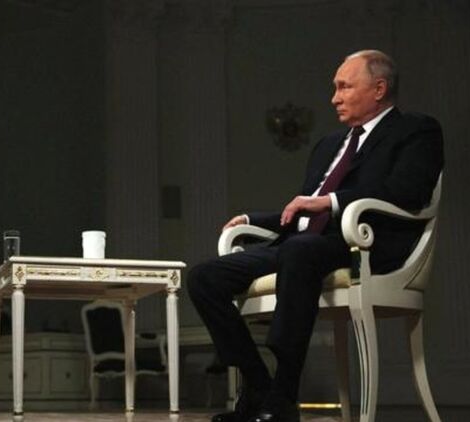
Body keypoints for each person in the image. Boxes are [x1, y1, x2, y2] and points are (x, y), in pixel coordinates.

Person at [187, 50, 444, 422]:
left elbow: (409, 192)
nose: (334, 98)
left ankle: (284, 395)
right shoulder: (329, 144)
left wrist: (332, 201)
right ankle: (258, 386)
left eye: (344, 87)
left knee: (300, 250)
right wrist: (254, 219)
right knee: (204, 278)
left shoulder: (416, 130)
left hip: (364, 245)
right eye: (335, 88)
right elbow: (305, 208)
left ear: (378, 89)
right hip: (303, 245)